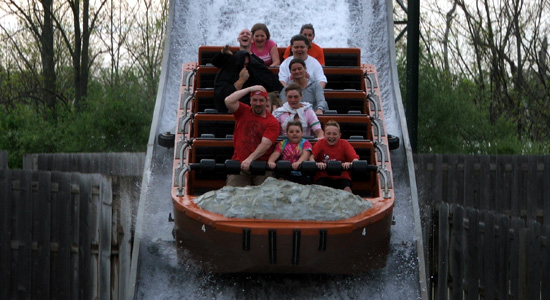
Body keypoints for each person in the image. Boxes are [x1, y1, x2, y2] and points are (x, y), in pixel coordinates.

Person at [225, 85, 280, 187]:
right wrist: (249, 89)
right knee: (233, 194)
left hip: (262, 167)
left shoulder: (272, 122)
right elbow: (228, 101)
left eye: (261, 100)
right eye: (255, 100)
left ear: (266, 102)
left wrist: (250, 159)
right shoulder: (243, 111)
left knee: (268, 196)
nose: (258, 103)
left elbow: (266, 143)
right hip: (239, 164)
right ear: (250, 101)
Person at [213, 49, 283, 112]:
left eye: (247, 64)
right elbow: (222, 98)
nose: (245, 68)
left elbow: (273, 84)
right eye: (242, 64)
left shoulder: (252, 70)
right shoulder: (226, 74)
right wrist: (241, 81)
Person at [310, 120, 359, 193]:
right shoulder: (320, 143)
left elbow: (355, 159)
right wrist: (316, 164)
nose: (331, 136)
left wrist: (350, 164)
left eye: (334, 134)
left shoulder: (344, 144)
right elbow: (311, 157)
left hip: (342, 177)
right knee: (319, 191)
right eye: (328, 133)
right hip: (323, 177)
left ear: (339, 135)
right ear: (324, 134)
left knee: (347, 189)